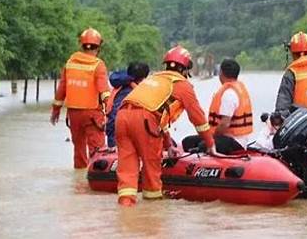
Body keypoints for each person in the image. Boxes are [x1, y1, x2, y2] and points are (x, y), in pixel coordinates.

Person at [115, 45, 219, 206]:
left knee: (127, 170)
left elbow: (157, 115)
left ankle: (126, 208)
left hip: (122, 117)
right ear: (185, 69)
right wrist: (211, 144)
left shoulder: (153, 79)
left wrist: (168, 144)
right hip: (145, 120)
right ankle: (153, 211)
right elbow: (198, 119)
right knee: (151, 169)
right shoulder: (183, 85)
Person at [50, 28, 110, 169]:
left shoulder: (70, 63)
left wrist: (56, 110)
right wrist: (111, 110)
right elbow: (104, 92)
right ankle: (94, 183)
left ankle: (79, 182)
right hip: (92, 114)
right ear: (98, 47)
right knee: (97, 151)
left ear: (82, 45)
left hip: (74, 114)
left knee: (78, 150)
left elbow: (61, 90)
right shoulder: (98, 65)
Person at [182, 59, 253, 154]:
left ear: (221, 73)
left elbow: (224, 124)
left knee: (203, 145)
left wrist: (211, 137)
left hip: (234, 140)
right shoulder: (237, 89)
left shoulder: (229, 94)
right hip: (229, 137)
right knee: (188, 141)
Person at [105, 62, 150, 149]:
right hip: (121, 136)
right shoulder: (128, 92)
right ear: (141, 79)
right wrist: (112, 142)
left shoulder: (125, 87)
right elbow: (114, 116)